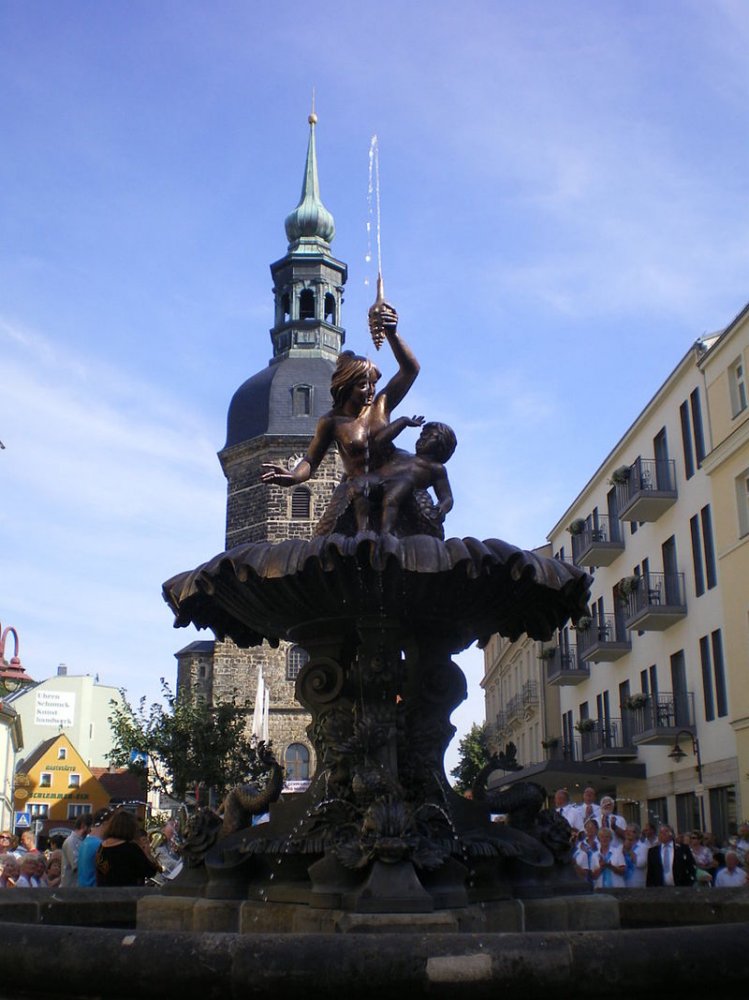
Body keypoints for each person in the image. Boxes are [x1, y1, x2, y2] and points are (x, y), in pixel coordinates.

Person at [260, 300, 421, 535]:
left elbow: (411, 369)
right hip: (357, 492)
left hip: (392, 481)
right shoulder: (331, 422)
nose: (371, 390)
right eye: (362, 385)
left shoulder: (381, 405)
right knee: (320, 545)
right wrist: (294, 476)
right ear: (346, 386)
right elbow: (311, 461)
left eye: (373, 384)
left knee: (423, 533)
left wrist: (392, 334)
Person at [352, 418, 457, 534]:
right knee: (359, 485)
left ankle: (385, 533)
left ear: (441, 445)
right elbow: (379, 441)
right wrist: (403, 422)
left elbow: (447, 497)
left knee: (395, 493)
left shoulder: (436, 468)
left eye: (429, 436)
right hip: (378, 479)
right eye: (422, 435)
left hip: (403, 486)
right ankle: (362, 530)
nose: (422, 439)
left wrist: (442, 507)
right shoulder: (401, 453)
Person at [95, 810, 160, 887]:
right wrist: (147, 854)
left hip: (104, 894)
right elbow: (149, 872)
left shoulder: (102, 846)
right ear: (130, 828)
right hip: (126, 895)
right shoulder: (130, 848)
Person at [77, 808, 113, 887]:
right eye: (112, 825)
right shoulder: (99, 845)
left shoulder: (85, 842)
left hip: (82, 890)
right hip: (93, 893)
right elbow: (107, 871)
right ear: (105, 824)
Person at [61, 813, 92, 887]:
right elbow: (77, 865)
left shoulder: (83, 841)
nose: (92, 830)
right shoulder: (71, 841)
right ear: (83, 826)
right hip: (71, 888)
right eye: (91, 827)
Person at [573, 818, 601, 886]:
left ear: (597, 829)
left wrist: (589, 852)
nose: (589, 829)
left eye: (592, 827)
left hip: (597, 876)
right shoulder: (580, 845)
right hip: (583, 876)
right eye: (587, 827)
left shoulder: (600, 844)